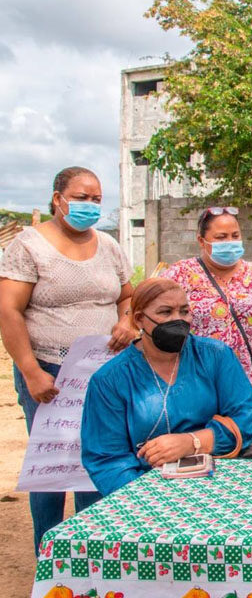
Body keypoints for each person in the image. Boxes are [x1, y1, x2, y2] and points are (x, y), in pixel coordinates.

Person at [0, 167, 137, 553]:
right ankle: (49, 552)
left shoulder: (108, 245)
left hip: (103, 372)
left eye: (96, 199)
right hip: (50, 372)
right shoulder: (28, 246)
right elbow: (8, 311)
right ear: (58, 199)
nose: (90, 205)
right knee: (53, 469)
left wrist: (127, 320)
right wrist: (30, 372)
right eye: (81, 197)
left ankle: (88, 554)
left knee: (97, 458)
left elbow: (126, 296)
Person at [81, 278, 252, 497]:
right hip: (147, 492)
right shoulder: (110, 380)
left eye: (184, 311)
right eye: (165, 312)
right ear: (139, 320)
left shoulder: (215, 356)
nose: (178, 320)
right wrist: (151, 500)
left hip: (221, 482)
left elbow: (246, 418)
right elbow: (108, 460)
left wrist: (191, 443)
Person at [161, 206, 252, 437]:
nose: (230, 242)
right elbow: (156, 313)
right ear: (202, 240)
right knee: (200, 447)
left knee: (247, 451)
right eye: (221, 237)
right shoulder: (180, 274)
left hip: (246, 384)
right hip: (194, 382)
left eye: (235, 236)